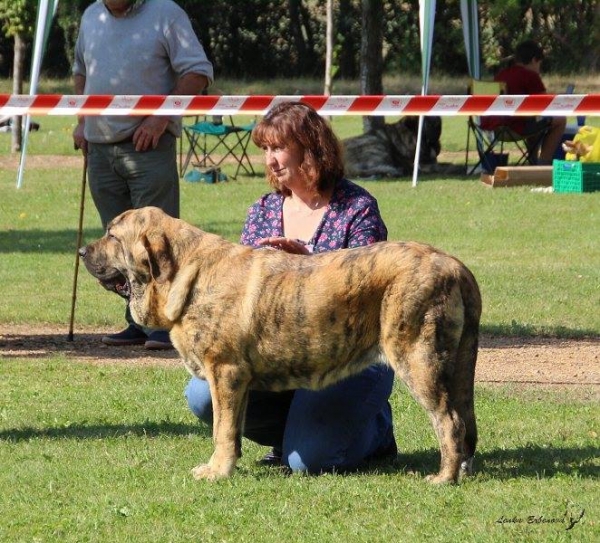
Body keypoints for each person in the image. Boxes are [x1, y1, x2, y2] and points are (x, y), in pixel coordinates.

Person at [184, 102, 397, 474]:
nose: (270, 160)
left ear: (311, 148)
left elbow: (368, 283)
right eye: (265, 150)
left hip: (347, 357)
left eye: (278, 148)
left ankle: (376, 430)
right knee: (202, 394)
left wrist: (307, 260)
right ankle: (299, 433)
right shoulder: (262, 210)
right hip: (276, 353)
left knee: (308, 463)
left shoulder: (357, 207)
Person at [72, 0, 214, 349]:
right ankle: (138, 320)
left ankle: (168, 325)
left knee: (158, 243)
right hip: (101, 148)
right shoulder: (91, 16)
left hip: (148, 145)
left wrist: (161, 117)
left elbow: (196, 72)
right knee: (118, 246)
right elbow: (80, 72)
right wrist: (81, 120)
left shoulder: (166, 14)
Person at [481, 39, 566, 165]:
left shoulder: (501, 75)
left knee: (534, 120)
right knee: (560, 120)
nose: (539, 68)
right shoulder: (530, 76)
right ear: (533, 60)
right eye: (539, 64)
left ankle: (533, 160)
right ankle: (544, 162)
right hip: (516, 127)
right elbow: (545, 104)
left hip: (495, 128)